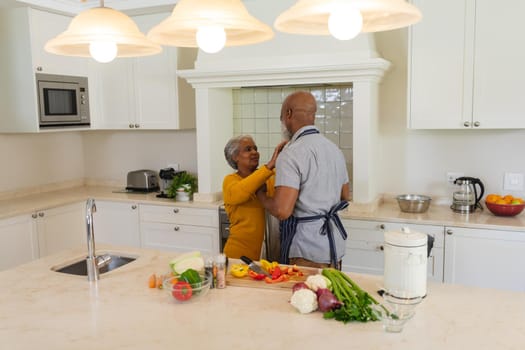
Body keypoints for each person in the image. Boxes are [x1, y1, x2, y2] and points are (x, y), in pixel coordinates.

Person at [257, 91, 350, 269]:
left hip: (307, 249)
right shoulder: (334, 149)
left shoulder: (291, 153)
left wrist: (261, 195)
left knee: (305, 296)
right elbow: (345, 195)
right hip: (334, 247)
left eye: (281, 118)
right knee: (327, 295)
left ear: (288, 114)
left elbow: (282, 210)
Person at [222, 135, 286, 261]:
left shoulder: (268, 177)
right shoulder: (230, 181)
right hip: (239, 255)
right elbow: (240, 192)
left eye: (255, 149)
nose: (255, 152)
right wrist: (269, 166)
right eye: (248, 149)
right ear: (235, 157)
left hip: (269, 255)